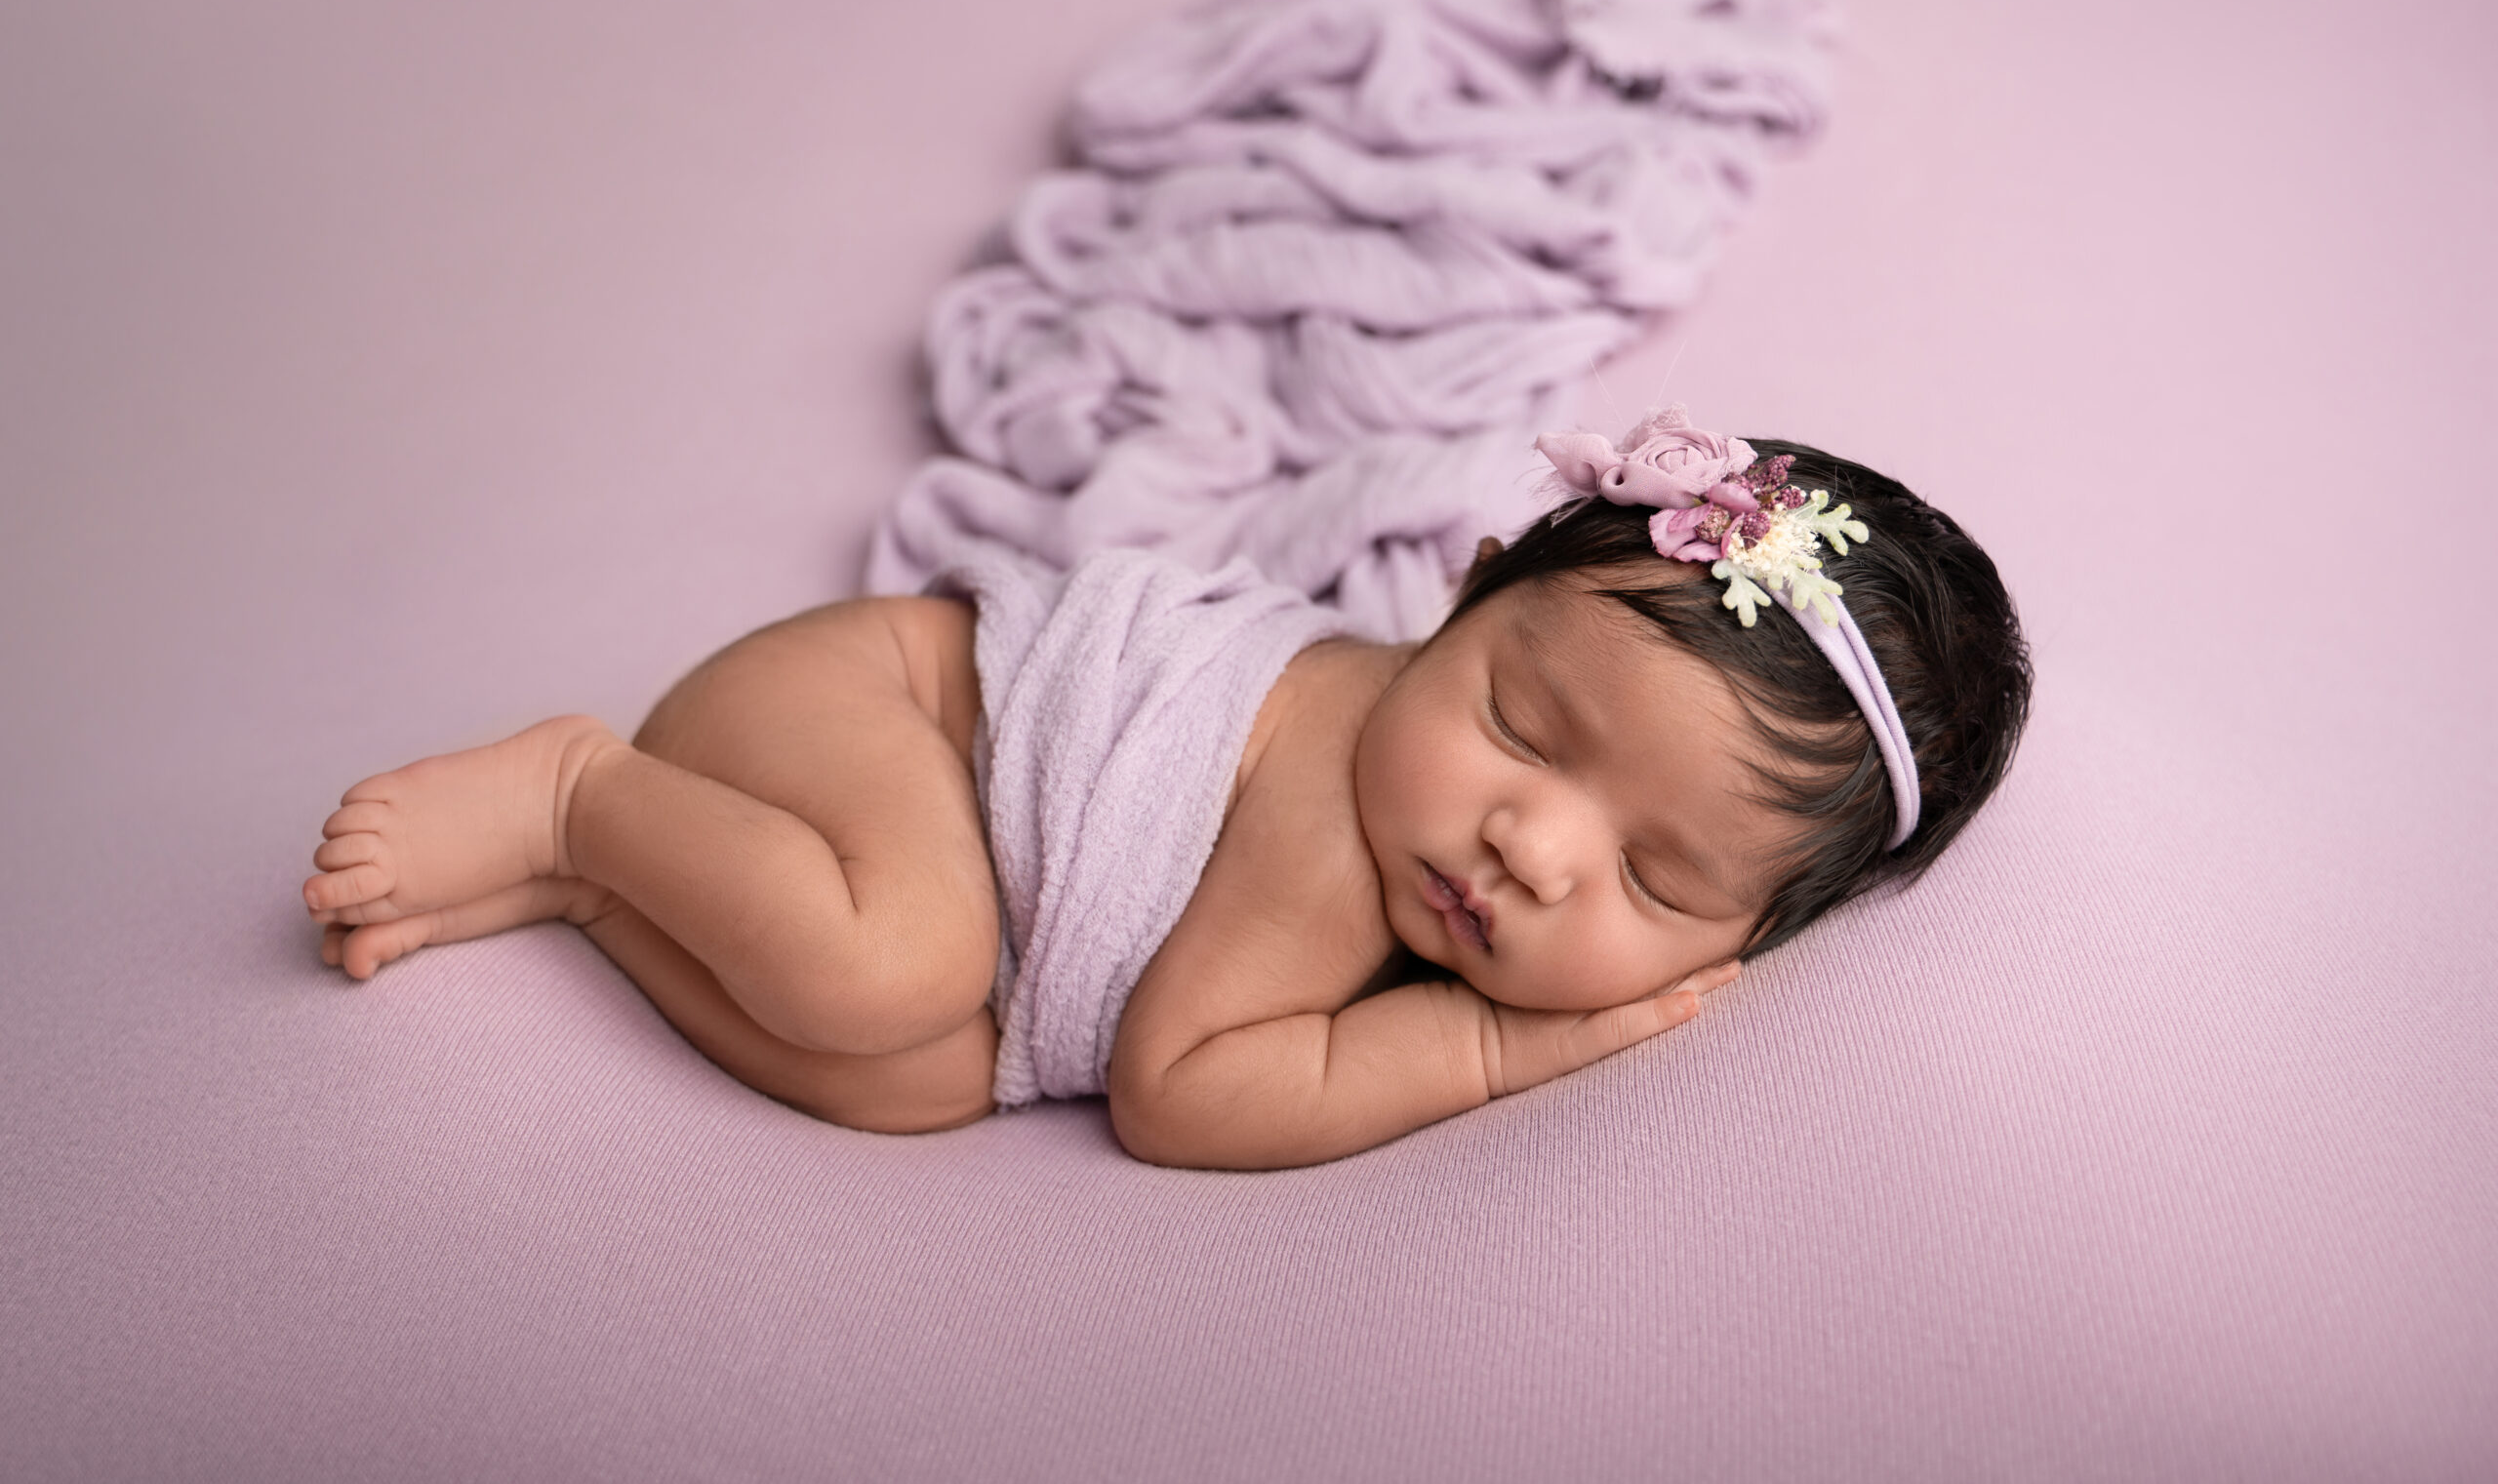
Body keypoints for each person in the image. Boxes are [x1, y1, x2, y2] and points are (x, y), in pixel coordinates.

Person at [302, 409, 2031, 1169]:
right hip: (865, 709)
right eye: (1519, 724)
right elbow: (1180, 1094)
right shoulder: (1338, 821)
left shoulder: (1447, 824)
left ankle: (611, 884)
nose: (1531, 844)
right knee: (897, 970)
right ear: (1463, 595)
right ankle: (575, 793)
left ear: (1751, 936)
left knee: (921, 1081)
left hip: (870, 826)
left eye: (1655, 881)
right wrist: (1493, 1050)